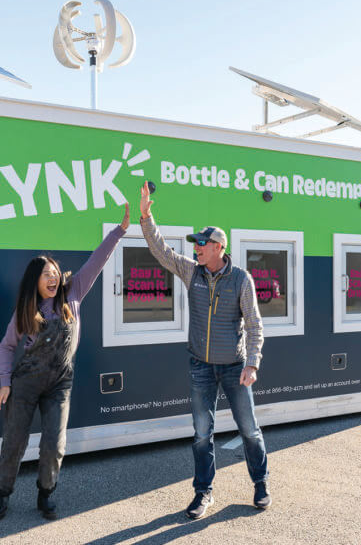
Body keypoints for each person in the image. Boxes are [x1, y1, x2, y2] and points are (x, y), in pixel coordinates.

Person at [138, 182, 270, 520]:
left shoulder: (241, 279)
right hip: (200, 367)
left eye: (202, 243)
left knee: (249, 430)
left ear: (219, 247)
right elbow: (161, 250)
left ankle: (261, 483)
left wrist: (252, 364)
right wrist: (146, 217)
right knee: (201, 434)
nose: (196, 247)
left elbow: (255, 325)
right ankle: (203, 493)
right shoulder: (191, 271)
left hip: (234, 367)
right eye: (196, 243)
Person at [0, 203, 129, 521]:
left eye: (54, 273)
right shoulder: (26, 310)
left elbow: (99, 259)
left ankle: (45, 495)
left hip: (60, 381)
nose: (52, 278)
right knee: (14, 441)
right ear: (35, 281)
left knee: (54, 442)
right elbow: (6, 346)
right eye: (46, 275)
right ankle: (2, 494)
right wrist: (5, 383)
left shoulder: (74, 292)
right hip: (26, 381)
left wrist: (119, 230)